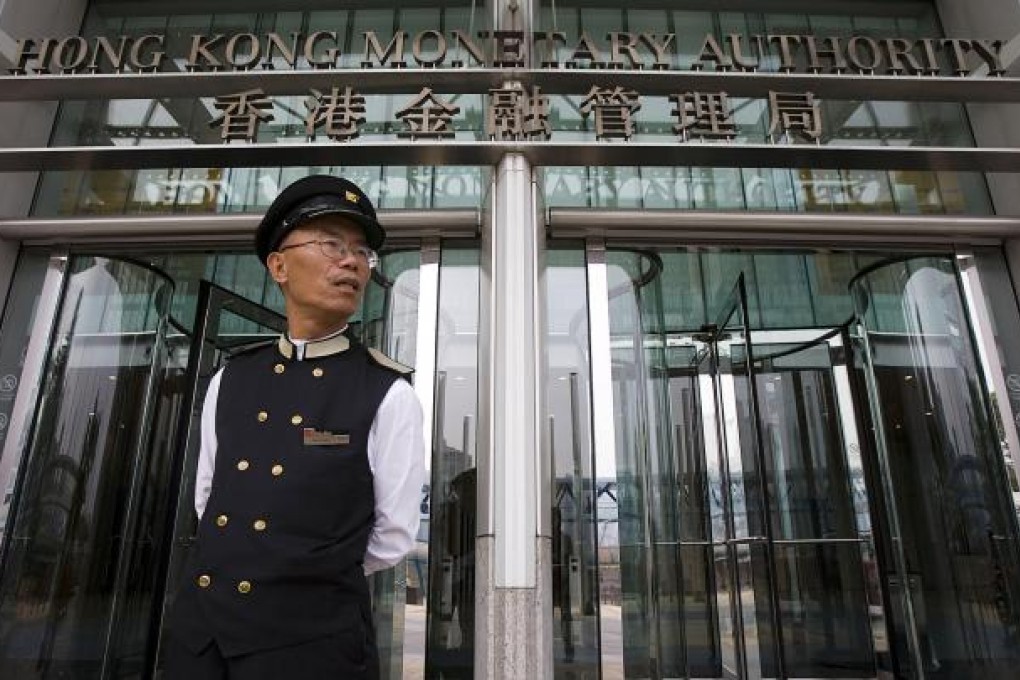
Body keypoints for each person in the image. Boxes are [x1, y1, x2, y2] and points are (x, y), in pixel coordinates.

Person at [164, 175, 426, 680]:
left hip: (311, 646)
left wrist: (298, 576)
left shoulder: (387, 393)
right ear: (278, 266)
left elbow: (392, 537)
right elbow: (207, 498)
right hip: (202, 640)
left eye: (361, 253)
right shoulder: (232, 377)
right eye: (331, 244)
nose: (351, 262)